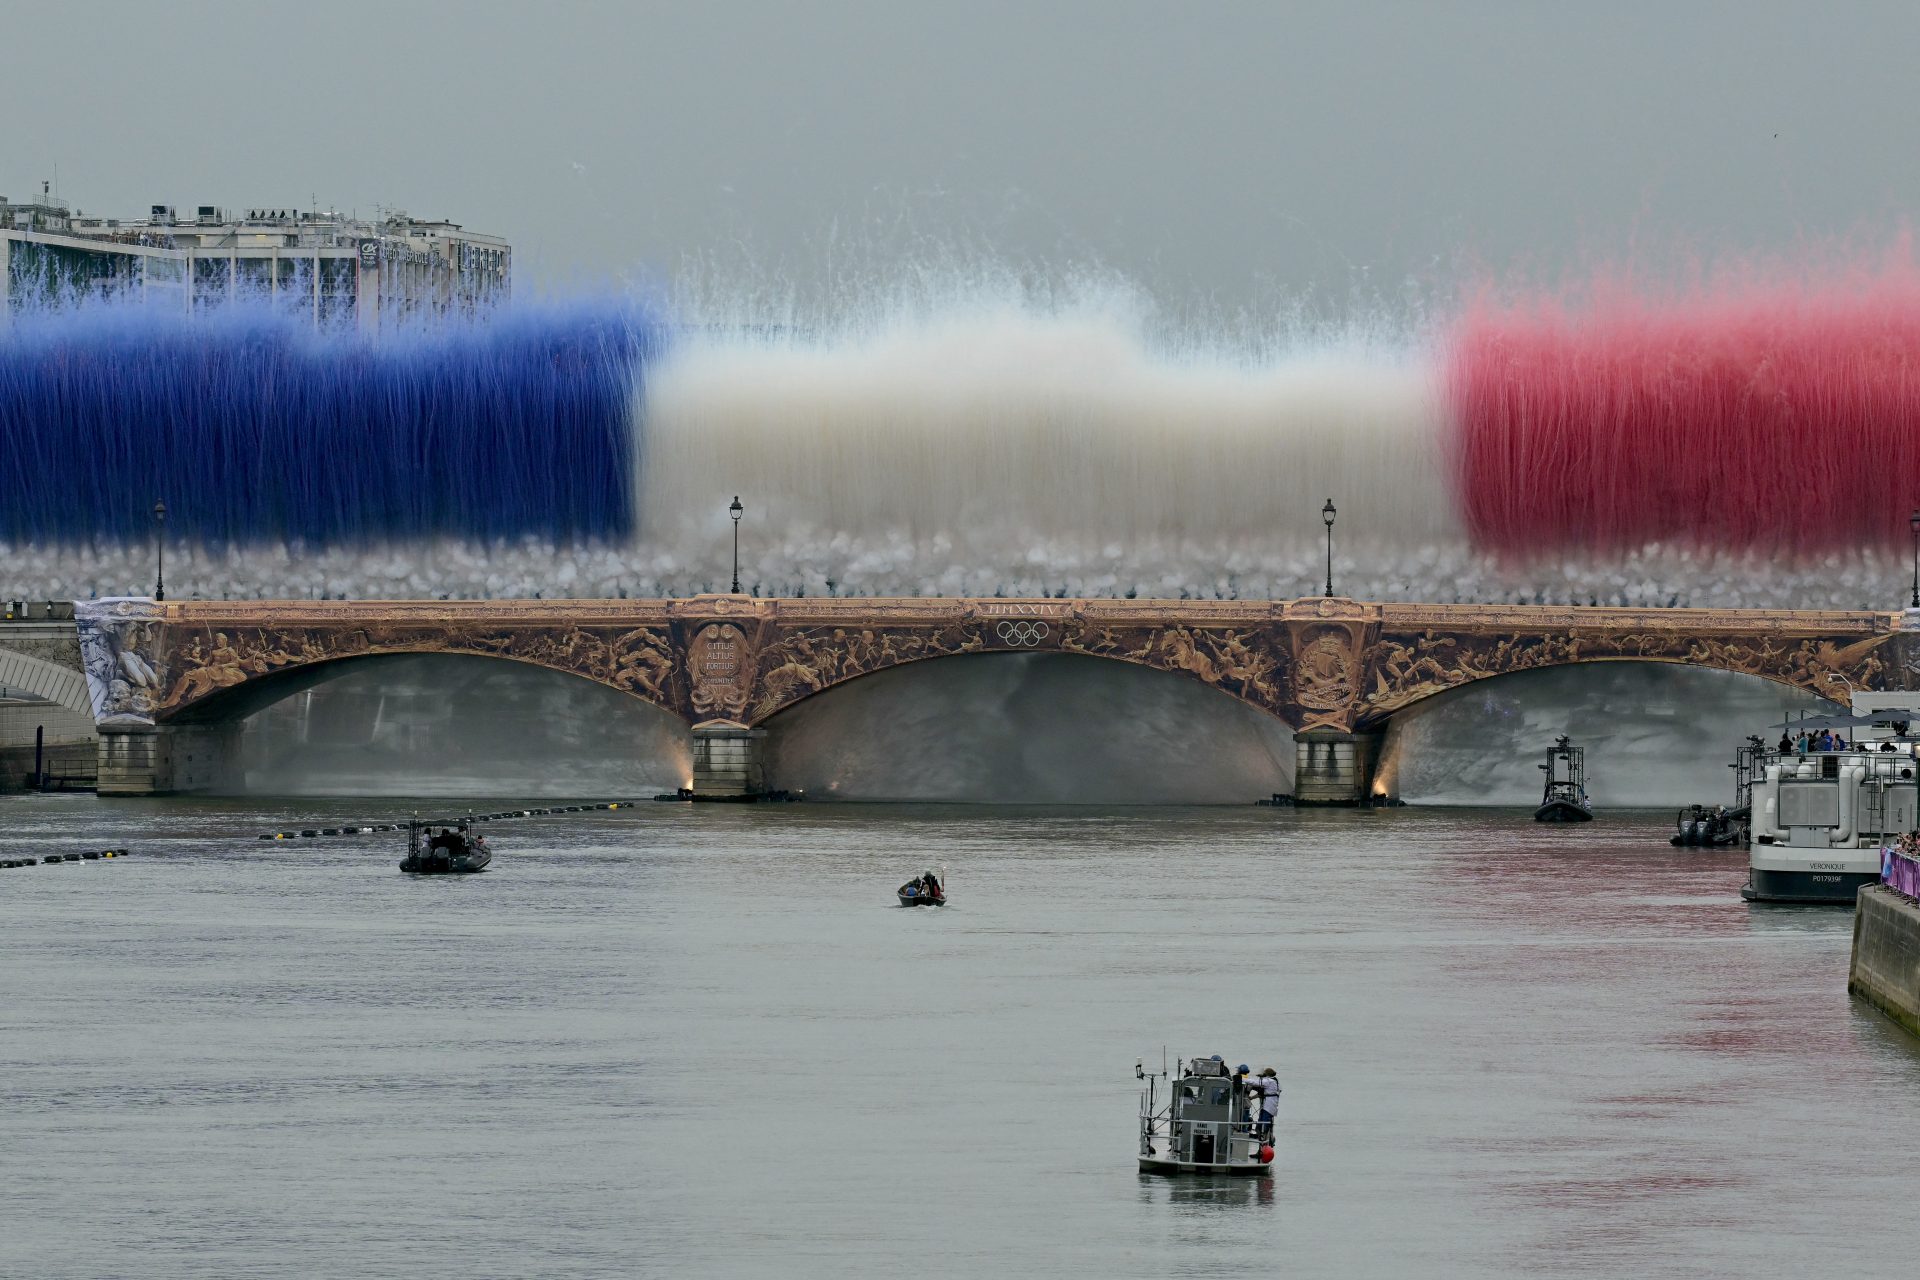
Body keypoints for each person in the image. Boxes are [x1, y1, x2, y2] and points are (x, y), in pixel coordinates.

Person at [1254, 1067, 1281, 1140]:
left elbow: (1257, 1084)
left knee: (1265, 1119)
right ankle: (1260, 1132)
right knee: (1262, 1118)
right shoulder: (1275, 1081)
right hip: (1270, 1104)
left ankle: (1264, 1135)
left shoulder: (1269, 1081)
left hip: (1269, 1104)